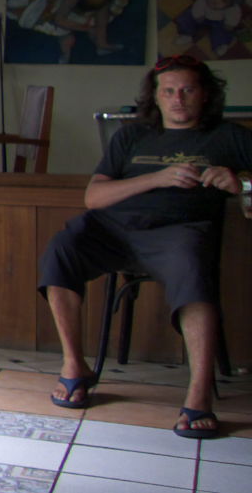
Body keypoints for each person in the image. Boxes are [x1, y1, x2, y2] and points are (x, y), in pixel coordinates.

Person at [37, 55, 251, 438]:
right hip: (115, 227)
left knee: (195, 271)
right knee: (62, 247)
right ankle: (74, 366)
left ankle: (199, 395)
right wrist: (158, 178)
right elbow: (94, 197)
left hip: (181, 231)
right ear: (155, 96)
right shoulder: (131, 136)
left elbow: (248, 189)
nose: (178, 99)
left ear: (205, 95)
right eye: (168, 91)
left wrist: (241, 184)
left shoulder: (228, 136)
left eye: (187, 90)